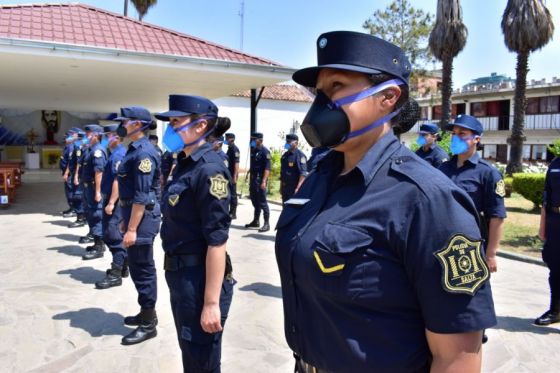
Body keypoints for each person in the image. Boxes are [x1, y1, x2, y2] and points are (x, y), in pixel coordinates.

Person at [275, 31, 496, 372]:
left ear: (388, 96)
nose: (321, 104)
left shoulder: (428, 200)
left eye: (336, 87)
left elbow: (457, 357)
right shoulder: (318, 178)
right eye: (319, 92)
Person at [156, 94, 234, 372]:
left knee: (202, 361)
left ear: (200, 126)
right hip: (181, 277)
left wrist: (211, 303)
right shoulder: (185, 164)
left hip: (199, 279)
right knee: (191, 354)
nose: (170, 128)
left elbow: (217, 241)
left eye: (176, 122)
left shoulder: (209, 169)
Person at [115, 106, 161, 345]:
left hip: (143, 220)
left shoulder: (143, 153)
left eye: (127, 121)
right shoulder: (132, 150)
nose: (123, 125)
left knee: (142, 269)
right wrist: (125, 218)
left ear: (139, 125)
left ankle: (149, 322)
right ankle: (145, 312)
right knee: (136, 267)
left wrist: (132, 228)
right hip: (133, 214)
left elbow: (142, 196)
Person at [439, 115, 506, 274]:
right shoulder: (442, 169)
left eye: (462, 134)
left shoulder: (489, 173)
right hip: (441, 243)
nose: (455, 138)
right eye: (453, 134)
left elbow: (497, 216)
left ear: (476, 139)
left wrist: (491, 254)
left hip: (471, 246)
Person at [95, 124, 129, 289]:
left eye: (108, 136)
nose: (106, 139)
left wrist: (110, 203)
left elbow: (117, 181)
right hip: (113, 200)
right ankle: (123, 266)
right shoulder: (115, 153)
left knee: (112, 235)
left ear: (116, 137)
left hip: (114, 202)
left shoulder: (118, 155)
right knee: (112, 234)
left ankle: (116, 274)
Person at [534, 156, 560, 325]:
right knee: (556, 267)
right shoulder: (556, 163)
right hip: (555, 220)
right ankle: (556, 311)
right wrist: (543, 225)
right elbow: (547, 194)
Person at [80, 124, 108, 260]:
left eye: (89, 134)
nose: (86, 137)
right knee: (90, 214)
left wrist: (98, 192)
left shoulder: (98, 151)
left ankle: (99, 246)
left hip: (93, 188)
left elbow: (99, 173)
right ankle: (96, 242)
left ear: (96, 135)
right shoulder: (91, 150)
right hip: (87, 188)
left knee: (97, 215)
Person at [244, 132, 271, 232]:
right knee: (254, 200)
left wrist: (264, 181)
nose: (252, 141)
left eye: (254, 139)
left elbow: (267, 168)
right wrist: (247, 175)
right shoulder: (254, 150)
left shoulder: (265, 152)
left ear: (260, 140)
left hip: (260, 180)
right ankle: (256, 221)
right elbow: (253, 165)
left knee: (262, 202)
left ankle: (266, 224)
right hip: (253, 179)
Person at [68, 130, 88, 228]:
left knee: (78, 196)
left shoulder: (82, 148)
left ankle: (81, 218)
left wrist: (76, 175)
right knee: (78, 196)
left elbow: (78, 163)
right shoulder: (79, 147)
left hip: (81, 176)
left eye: (81, 138)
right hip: (78, 175)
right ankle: (82, 217)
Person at [280, 133, 308, 203]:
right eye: (286, 141)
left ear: (296, 143)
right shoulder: (285, 155)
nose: (287, 143)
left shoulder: (300, 156)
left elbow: (303, 174)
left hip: (293, 188)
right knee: (284, 208)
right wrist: (281, 186)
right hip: (285, 187)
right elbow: (282, 172)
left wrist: (298, 188)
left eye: (289, 142)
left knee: (291, 209)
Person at [61, 129, 76, 217]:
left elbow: (70, 162)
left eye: (67, 137)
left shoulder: (71, 147)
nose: (65, 139)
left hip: (69, 173)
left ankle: (74, 209)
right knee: (68, 192)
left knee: (71, 191)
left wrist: (66, 173)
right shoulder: (67, 146)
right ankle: (71, 207)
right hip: (66, 172)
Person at [225, 133, 240, 219]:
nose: (226, 140)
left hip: (232, 175)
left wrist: (235, 176)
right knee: (229, 194)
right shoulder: (229, 149)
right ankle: (230, 211)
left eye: (227, 138)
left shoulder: (235, 149)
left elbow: (236, 164)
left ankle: (233, 213)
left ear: (231, 139)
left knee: (233, 195)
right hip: (228, 174)